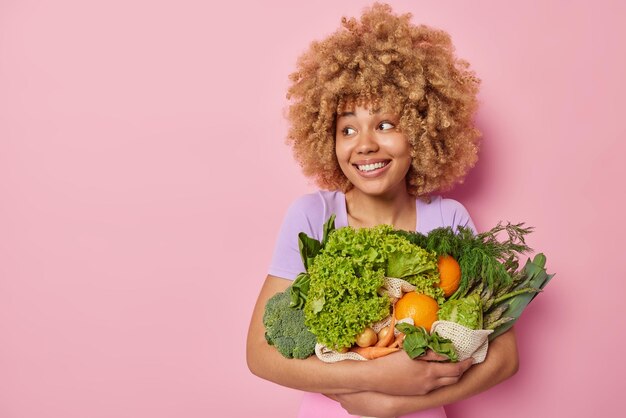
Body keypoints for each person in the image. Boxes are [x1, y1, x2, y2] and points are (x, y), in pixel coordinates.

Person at [246, 3, 518, 417]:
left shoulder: (448, 219)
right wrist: (374, 378)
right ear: (327, 139)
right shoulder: (312, 216)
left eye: (386, 124)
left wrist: (404, 399)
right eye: (347, 128)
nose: (366, 144)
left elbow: (505, 357)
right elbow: (259, 355)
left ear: (423, 129)